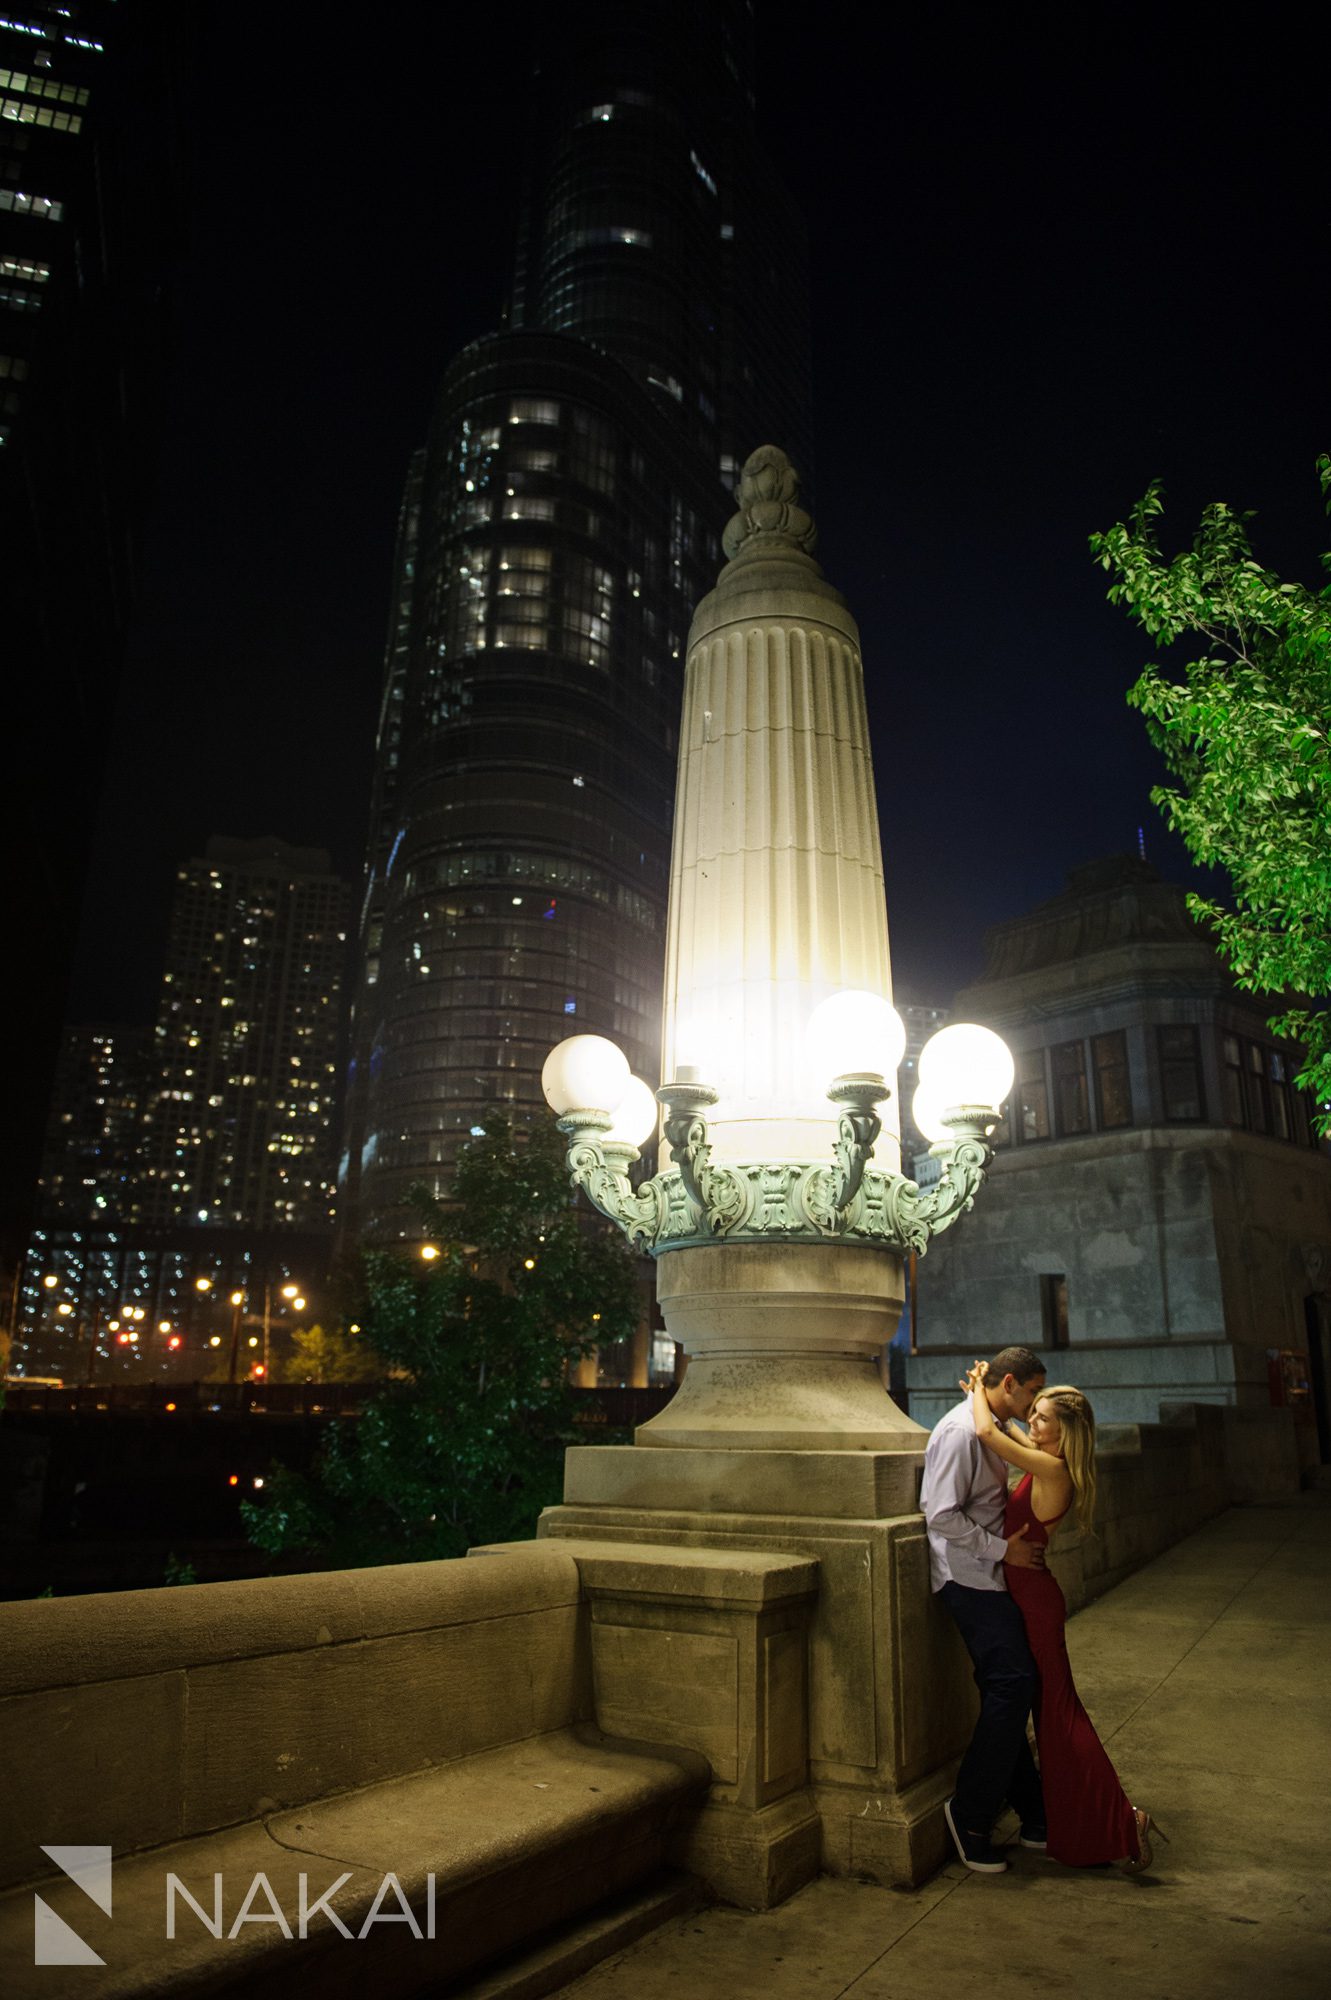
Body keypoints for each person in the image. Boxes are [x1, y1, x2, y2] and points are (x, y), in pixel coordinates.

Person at [963, 1360, 1166, 1873]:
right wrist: (1005, 1409)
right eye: (1032, 1413)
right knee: (1051, 1715)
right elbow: (1007, 1428)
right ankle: (1081, 1822)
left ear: (1064, 1430)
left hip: (1034, 1603)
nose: (1031, 1422)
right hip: (1031, 1596)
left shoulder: (1052, 1469)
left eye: (1042, 1418)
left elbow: (988, 1429)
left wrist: (975, 1389)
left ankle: (1123, 1821)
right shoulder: (1045, 1459)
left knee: (1059, 1716)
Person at [920, 1344, 1049, 1874]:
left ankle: (1036, 1815)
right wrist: (1006, 1551)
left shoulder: (989, 1422)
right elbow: (939, 1514)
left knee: (1011, 1686)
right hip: (966, 1577)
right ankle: (969, 1814)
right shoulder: (958, 1433)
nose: (1036, 1403)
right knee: (1012, 1683)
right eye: (1034, 1392)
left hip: (992, 1578)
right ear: (1011, 1383)